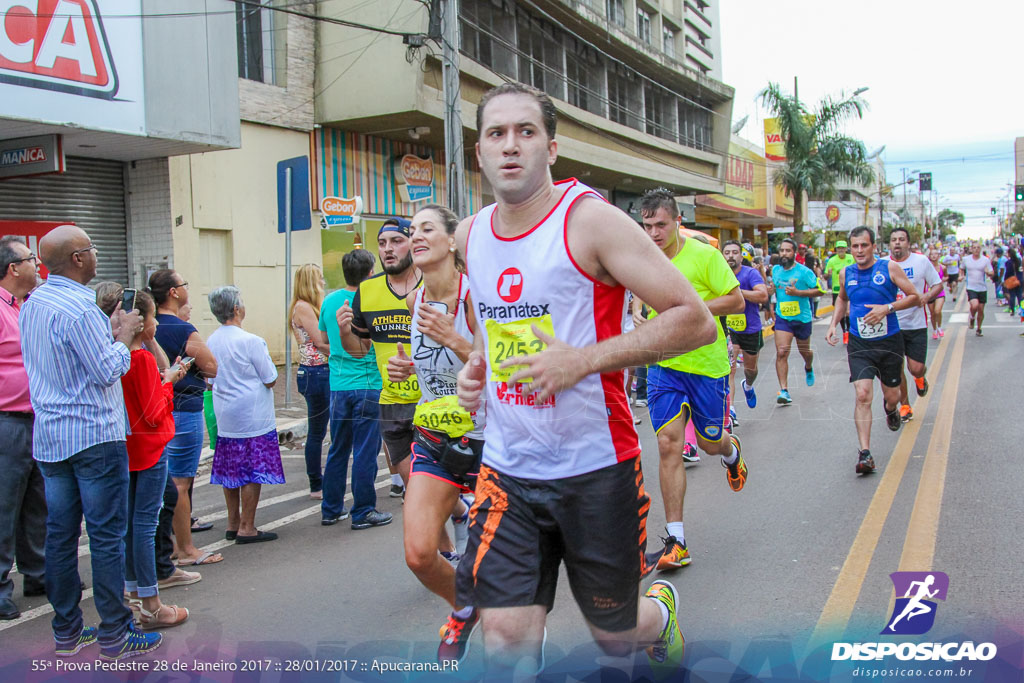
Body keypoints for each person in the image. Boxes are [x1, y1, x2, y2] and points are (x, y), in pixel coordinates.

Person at [454, 82, 717, 677]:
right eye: (497, 134)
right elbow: (496, 330)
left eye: (526, 132)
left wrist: (584, 360)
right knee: (504, 634)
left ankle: (660, 614)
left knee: (615, 633)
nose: (511, 146)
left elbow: (694, 320)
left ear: (551, 146)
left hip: (596, 466)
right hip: (509, 468)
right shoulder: (471, 235)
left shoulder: (591, 221)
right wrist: (477, 369)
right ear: (480, 152)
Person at [20, 224, 162, 659]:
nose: (97, 254)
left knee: (60, 536)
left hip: (51, 436)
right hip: (94, 435)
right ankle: (115, 634)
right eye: (92, 248)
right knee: (104, 536)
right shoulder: (81, 309)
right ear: (79, 259)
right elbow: (107, 370)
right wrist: (123, 336)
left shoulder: (33, 303)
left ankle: (67, 631)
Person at [385, 204, 480, 663]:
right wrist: (402, 367)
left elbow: (502, 373)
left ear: (452, 241)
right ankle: (463, 605)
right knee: (420, 554)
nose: (414, 236)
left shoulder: (475, 298)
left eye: (426, 229)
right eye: (411, 230)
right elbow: (427, 368)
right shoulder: (414, 299)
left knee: (503, 567)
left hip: (488, 442)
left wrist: (455, 339)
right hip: (435, 437)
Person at [634, 192, 746, 574]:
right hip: (664, 365)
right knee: (668, 445)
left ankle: (731, 453)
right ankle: (676, 540)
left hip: (706, 366)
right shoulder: (640, 260)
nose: (653, 233)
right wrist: (637, 312)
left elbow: (736, 301)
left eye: (660, 225)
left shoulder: (704, 256)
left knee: (712, 442)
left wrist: (691, 310)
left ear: (677, 221)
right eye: (647, 226)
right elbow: (636, 297)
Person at [117, 290, 190, 629]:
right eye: (152, 318)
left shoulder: (115, 357)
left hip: (127, 447)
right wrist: (169, 383)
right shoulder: (141, 359)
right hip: (148, 449)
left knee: (131, 524)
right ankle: (150, 600)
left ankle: (133, 591)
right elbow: (152, 411)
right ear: (141, 324)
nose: (157, 322)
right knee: (145, 525)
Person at [338, 218, 422, 505]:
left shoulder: (434, 284)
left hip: (434, 399)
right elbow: (359, 350)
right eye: (383, 243)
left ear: (413, 243)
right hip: (393, 402)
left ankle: (454, 530)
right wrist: (343, 330)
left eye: (397, 241)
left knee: (430, 492)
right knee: (416, 490)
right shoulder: (368, 291)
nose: (388, 249)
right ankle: (447, 542)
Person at [826, 226, 919, 475]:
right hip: (860, 343)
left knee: (893, 396)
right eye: (854, 246)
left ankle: (890, 410)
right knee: (862, 394)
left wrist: (886, 308)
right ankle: (865, 453)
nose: (858, 250)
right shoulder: (846, 273)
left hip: (889, 341)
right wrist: (834, 323)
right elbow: (842, 299)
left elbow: (914, 297)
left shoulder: (889, 268)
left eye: (863, 245)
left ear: (873, 246)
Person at [149, 269, 223, 563]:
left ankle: (166, 544)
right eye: (183, 284)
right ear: (173, 292)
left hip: (154, 410)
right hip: (183, 408)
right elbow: (212, 367)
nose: (186, 289)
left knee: (163, 480)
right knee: (181, 482)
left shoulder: (146, 327)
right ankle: (185, 549)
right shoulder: (182, 329)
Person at [206, 286, 285, 544]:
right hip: (252, 414)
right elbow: (271, 378)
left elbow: (209, 379)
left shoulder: (212, 340)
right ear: (237, 309)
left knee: (231, 468)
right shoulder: (251, 341)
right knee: (252, 469)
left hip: (225, 411)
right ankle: (247, 526)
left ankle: (232, 521)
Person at [318, 249, 390, 529]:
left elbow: (323, 340)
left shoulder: (329, 301)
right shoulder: (371, 300)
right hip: (369, 384)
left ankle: (331, 508)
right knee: (364, 450)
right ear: (370, 273)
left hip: (338, 385)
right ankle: (363, 511)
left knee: (338, 448)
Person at [0, 236, 46, 621]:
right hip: (7, 421)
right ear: (13, 268)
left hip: (33, 418)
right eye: (32, 259)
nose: (38, 265)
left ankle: (38, 572)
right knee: (4, 505)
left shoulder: (22, 307)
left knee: (36, 500)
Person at [884, 228, 942, 422]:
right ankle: (905, 406)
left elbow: (937, 284)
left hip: (916, 324)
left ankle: (919, 378)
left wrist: (926, 296)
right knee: (897, 368)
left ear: (908, 243)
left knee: (915, 368)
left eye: (901, 239)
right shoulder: (883, 264)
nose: (897, 243)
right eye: (894, 240)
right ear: (889, 244)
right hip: (892, 325)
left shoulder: (921, 261)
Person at [289, 264, 332, 499]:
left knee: (321, 428)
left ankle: (320, 481)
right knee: (317, 431)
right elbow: (319, 341)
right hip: (315, 372)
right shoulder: (303, 307)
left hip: (316, 371)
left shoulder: (306, 306)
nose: (323, 283)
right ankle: (316, 484)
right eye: (320, 279)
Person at [771, 238, 822, 405]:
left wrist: (798, 293)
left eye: (788, 251)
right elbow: (775, 290)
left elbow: (820, 290)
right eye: (782, 251)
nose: (784, 254)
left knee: (805, 352)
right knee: (782, 352)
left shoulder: (804, 271)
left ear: (794, 253)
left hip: (802, 318)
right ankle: (784, 390)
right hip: (783, 318)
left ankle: (808, 366)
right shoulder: (776, 270)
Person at [722, 240, 768, 411]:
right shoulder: (719, 274)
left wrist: (738, 292)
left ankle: (748, 385)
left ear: (741, 256)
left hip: (750, 328)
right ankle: (731, 409)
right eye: (727, 253)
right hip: (728, 329)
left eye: (734, 252)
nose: (730, 256)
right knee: (730, 369)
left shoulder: (750, 274)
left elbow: (762, 296)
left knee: (751, 369)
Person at [824, 241, 855, 343]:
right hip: (837, 288)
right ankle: (844, 331)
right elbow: (825, 276)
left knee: (848, 311)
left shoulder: (851, 258)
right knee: (841, 311)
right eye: (838, 248)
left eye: (842, 248)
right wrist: (828, 275)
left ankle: (850, 331)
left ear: (846, 249)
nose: (840, 250)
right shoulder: (831, 260)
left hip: (850, 287)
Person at [963, 242, 994, 337]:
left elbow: (992, 272)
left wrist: (988, 272)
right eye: (974, 247)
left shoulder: (985, 260)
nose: (976, 249)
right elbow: (961, 269)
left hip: (982, 288)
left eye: (978, 248)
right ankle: (972, 317)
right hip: (971, 287)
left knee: (981, 310)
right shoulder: (966, 259)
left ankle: (979, 328)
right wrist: (960, 276)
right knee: (974, 305)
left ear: (980, 249)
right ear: (971, 249)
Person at [927, 248, 946, 339]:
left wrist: (941, 281)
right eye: (932, 254)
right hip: (930, 293)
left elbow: (946, 277)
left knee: (937, 310)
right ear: (929, 256)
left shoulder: (943, 267)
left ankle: (939, 327)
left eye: (936, 254)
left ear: (939, 256)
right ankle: (934, 330)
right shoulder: (927, 267)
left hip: (940, 292)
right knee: (932, 313)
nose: (934, 256)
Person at [1003, 247, 1022, 315]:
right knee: (1019, 295)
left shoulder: (1008, 262)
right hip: (1018, 280)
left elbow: (1007, 272)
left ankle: (1012, 310)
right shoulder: (1019, 260)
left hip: (1011, 281)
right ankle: (1022, 309)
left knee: (1012, 296)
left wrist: (1005, 280)